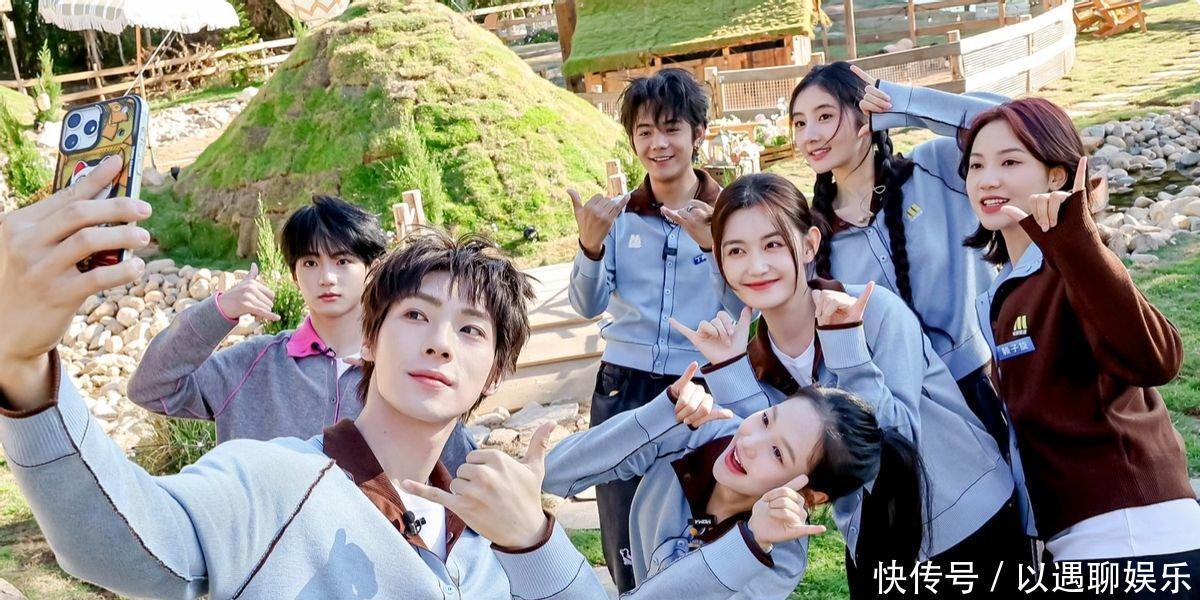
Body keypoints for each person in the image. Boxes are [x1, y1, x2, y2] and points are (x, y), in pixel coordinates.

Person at [0, 159, 604, 598]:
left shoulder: (487, 534)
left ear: (495, 374)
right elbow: (126, 541)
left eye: (471, 330)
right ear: (372, 338)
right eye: (416, 315)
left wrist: (533, 542)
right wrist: (22, 366)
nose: (440, 342)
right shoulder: (268, 477)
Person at [682, 173, 1025, 597]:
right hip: (876, 544)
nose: (756, 266)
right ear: (719, 261)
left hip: (969, 523)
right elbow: (771, 469)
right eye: (736, 250)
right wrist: (729, 372)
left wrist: (847, 349)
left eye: (773, 245)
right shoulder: (750, 361)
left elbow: (897, 440)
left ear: (809, 245)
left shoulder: (871, 310)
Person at [962, 97, 1199, 590]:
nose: (987, 180)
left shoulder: (1074, 265)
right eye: (976, 165)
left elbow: (1157, 359)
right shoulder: (1003, 292)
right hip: (1074, 548)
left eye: (1010, 162)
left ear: (1056, 176)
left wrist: (1078, 242)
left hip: (1135, 542)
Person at [127, 195, 476, 467]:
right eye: (310, 263)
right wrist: (220, 311)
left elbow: (459, 473)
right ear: (295, 275)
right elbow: (150, 388)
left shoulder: (407, 371)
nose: (326, 277)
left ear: (372, 269)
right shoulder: (253, 365)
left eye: (342, 261)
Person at [566, 67, 742, 592]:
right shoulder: (616, 217)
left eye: (671, 128)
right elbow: (587, 304)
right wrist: (590, 246)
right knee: (622, 527)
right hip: (623, 385)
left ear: (698, 133)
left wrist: (715, 246)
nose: (658, 144)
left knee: (701, 521)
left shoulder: (731, 215)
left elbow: (745, 308)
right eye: (645, 131)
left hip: (701, 390)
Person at [542, 359, 917, 599]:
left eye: (777, 453)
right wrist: (658, 416)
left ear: (810, 495)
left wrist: (749, 544)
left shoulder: (781, 558)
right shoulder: (701, 431)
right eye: (767, 418)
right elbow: (551, 473)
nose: (748, 442)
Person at [789, 62, 1012, 454]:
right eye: (799, 123)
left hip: (987, 385)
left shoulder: (937, 169)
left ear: (866, 113)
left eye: (824, 116)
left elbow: (1015, 120)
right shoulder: (813, 234)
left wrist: (903, 104)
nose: (811, 135)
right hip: (900, 417)